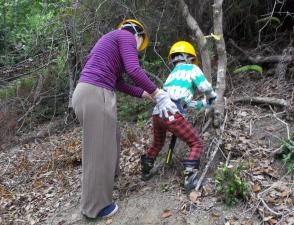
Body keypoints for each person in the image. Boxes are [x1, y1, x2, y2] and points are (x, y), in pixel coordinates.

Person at [71, 19, 178, 219]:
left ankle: (108, 180)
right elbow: (134, 70)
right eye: (140, 44)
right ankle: (95, 207)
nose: (137, 48)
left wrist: (144, 93)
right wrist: (158, 94)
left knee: (112, 137)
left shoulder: (109, 43)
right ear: (138, 35)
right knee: (99, 150)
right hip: (96, 93)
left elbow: (119, 83)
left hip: (86, 93)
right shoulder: (125, 36)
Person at [140, 41, 217, 192]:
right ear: (188, 57)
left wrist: (204, 104)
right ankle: (190, 178)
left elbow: (186, 104)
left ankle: (145, 170)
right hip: (171, 113)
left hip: (157, 113)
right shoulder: (192, 68)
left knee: (157, 144)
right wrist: (212, 97)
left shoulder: (171, 76)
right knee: (197, 144)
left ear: (173, 59)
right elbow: (205, 87)